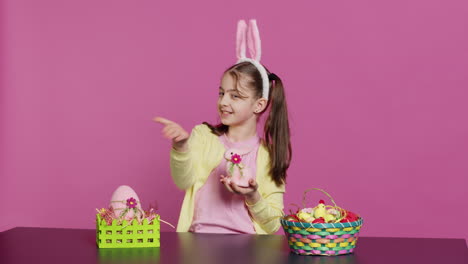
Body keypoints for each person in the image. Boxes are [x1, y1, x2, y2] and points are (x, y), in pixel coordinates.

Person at [154, 19, 292, 234]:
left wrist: (253, 196)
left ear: (259, 104)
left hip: (248, 247)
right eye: (222, 93)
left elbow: (274, 224)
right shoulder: (204, 135)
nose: (224, 102)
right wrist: (181, 147)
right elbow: (183, 180)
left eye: (235, 96)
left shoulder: (269, 155)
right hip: (198, 242)